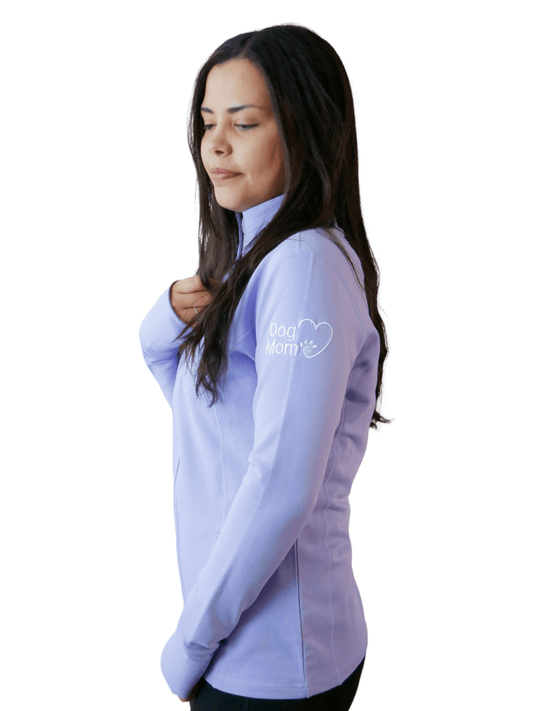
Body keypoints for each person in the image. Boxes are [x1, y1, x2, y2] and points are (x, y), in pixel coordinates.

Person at [139, 23, 392, 710]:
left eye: (243, 123)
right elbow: (201, 415)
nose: (215, 144)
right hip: (240, 645)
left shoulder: (302, 269)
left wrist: (190, 643)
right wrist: (167, 314)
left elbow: (281, 484)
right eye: (207, 122)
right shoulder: (257, 261)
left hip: (271, 660)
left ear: (306, 131)